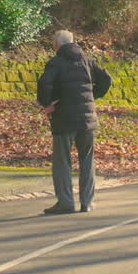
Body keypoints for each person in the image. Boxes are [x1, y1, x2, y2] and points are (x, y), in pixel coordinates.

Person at [37, 30, 112, 214]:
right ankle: (87, 202)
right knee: (87, 160)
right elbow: (106, 79)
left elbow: (44, 83)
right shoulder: (87, 60)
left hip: (64, 118)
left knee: (63, 161)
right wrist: (92, 97)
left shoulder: (56, 62)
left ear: (57, 44)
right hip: (87, 119)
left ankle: (66, 202)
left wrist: (47, 104)